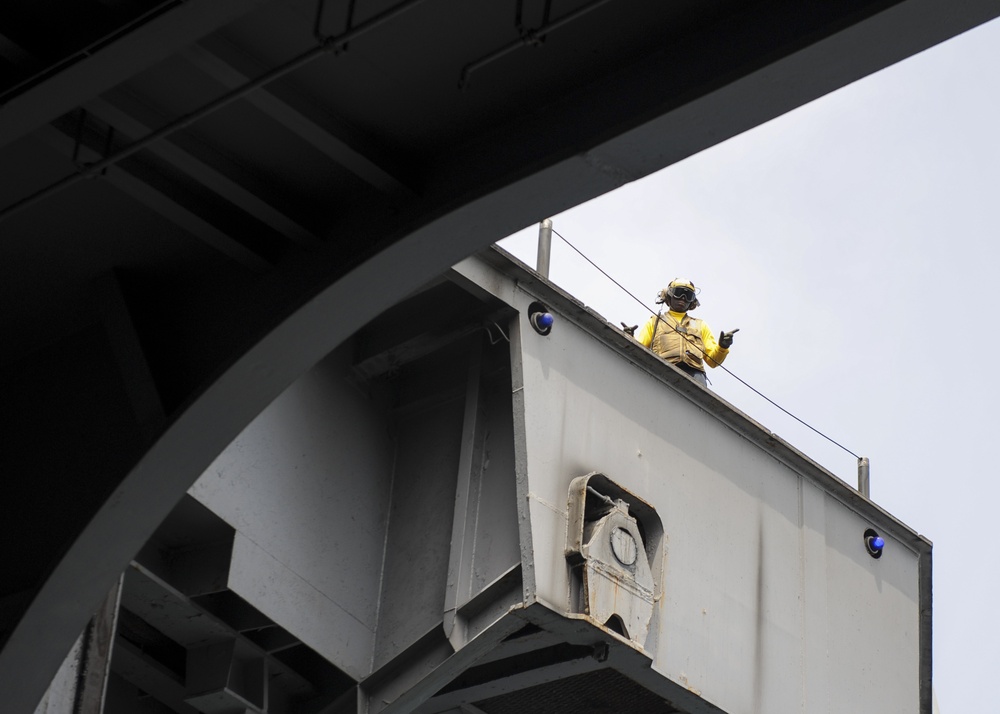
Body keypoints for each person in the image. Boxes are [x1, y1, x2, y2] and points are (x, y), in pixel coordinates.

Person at [628, 279, 737, 387]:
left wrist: (722, 347)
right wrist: (629, 337)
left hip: (695, 375)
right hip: (663, 369)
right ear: (669, 295)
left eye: (688, 295)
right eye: (679, 293)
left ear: (692, 301)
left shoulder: (700, 325)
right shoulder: (655, 321)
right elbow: (639, 348)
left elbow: (713, 361)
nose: (683, 298)